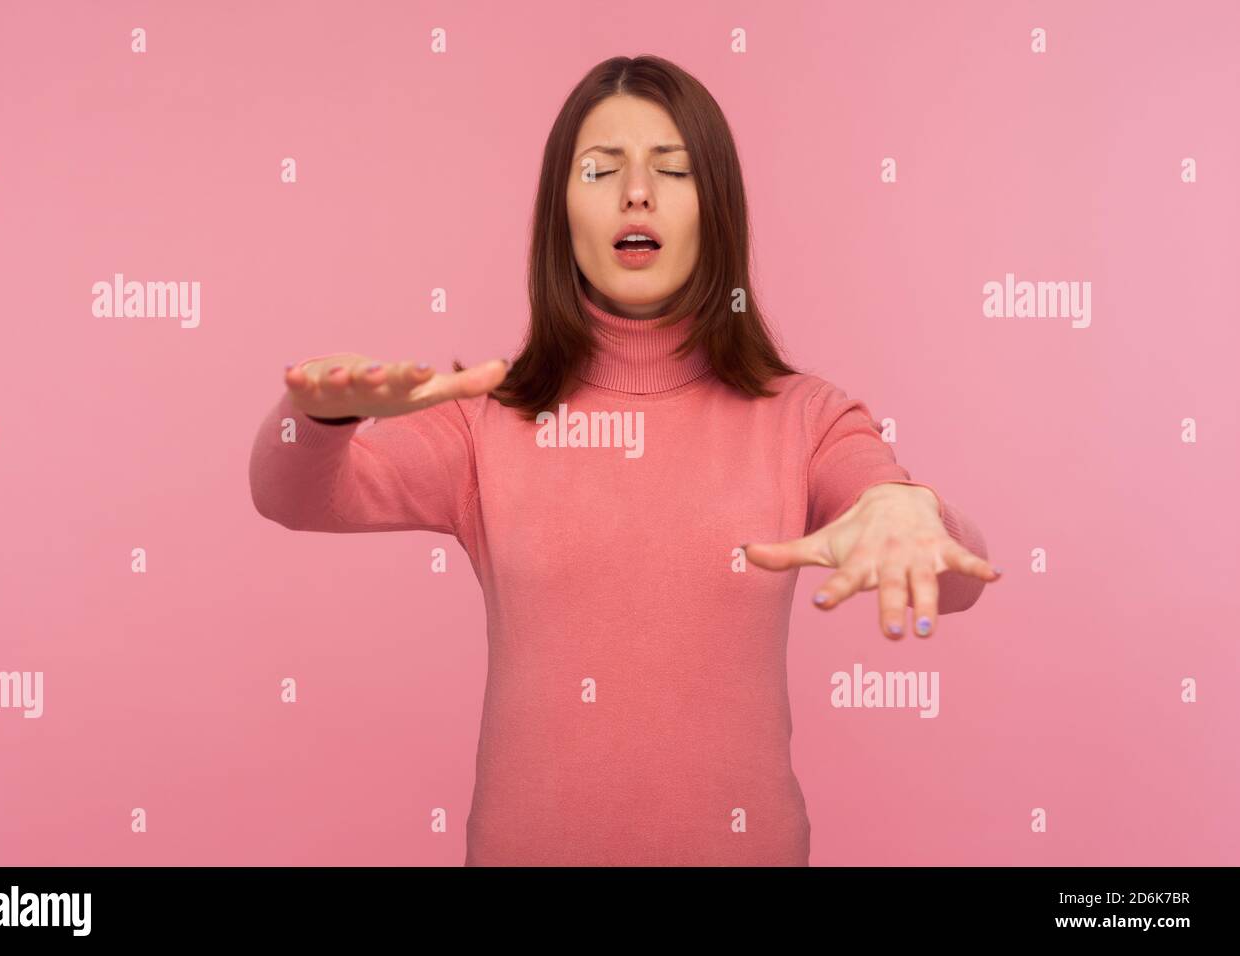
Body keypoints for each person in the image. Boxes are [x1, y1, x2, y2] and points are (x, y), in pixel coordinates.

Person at [249, 54, 1000, 866]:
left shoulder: (805, 418)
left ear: (717, 210)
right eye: (601, 169)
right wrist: (320, 415)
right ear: (560, 215)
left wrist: (908, 509)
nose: (635, 192)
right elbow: (296, 498)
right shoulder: (486, 422)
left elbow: (954, 579)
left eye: (671, 170)